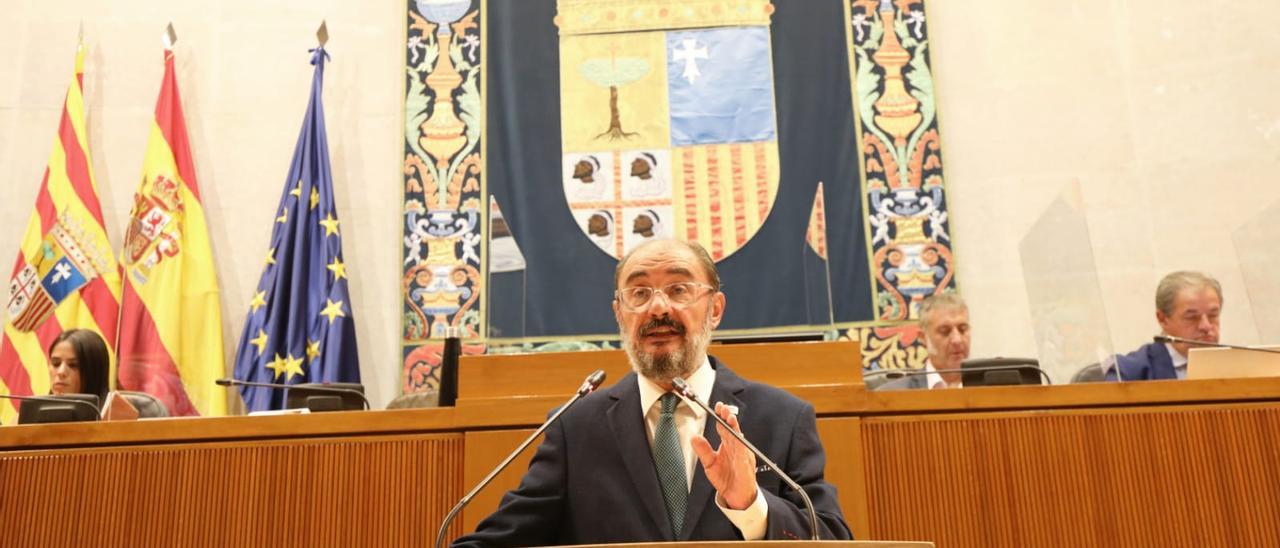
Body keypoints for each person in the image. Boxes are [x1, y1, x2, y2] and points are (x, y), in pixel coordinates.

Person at [453, 239, 851, 545]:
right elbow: (500, 539)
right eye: (639, 293)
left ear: (715, 309)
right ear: (619, 315)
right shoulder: (576, 427)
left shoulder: (781, 417)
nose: (657, 308)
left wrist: (752, 504)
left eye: (678, 289)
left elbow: (834, 540)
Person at [1106, 271, 1222, 381]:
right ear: (1162, 319)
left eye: (1213, 315)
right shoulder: (1126, 372)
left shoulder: (1234, 368)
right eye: (1191, 317)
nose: (1206, 326)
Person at [876, 292, 971, 390]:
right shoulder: (891, 395)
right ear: (923, 338)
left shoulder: (987, 389)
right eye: (945, 331)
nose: (957, 340)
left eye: (963, 329)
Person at [47, 328, 111, 403]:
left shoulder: (115, 414)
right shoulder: (32, 413)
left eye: (73, 365)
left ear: (93, 371)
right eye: (56, 364)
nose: (61, 372)